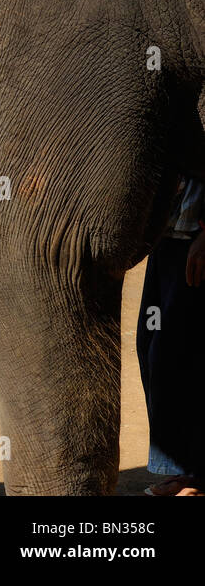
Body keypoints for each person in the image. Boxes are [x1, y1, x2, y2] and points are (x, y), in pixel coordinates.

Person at [137, 176, 205, 495]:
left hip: (195, 241)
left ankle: (195, 475)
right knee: (150, 347)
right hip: (166, 239)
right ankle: (181, 468)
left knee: (180, 355)